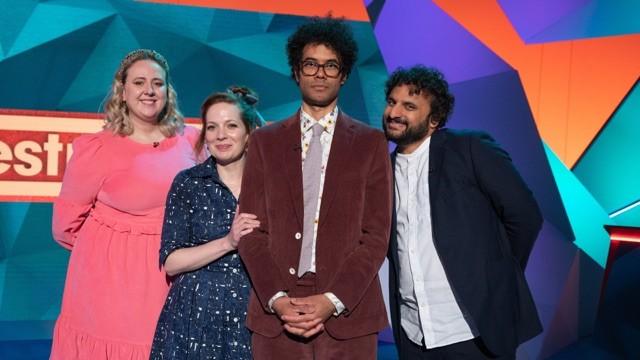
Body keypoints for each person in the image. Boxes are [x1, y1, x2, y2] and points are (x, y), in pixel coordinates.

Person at [237, 17, 393, 359]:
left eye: (330, 65)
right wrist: (277, 298)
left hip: (348, 314)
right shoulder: (264, 141)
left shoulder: (371, 143)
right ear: (296, 71)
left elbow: (377, 235)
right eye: (310, 64)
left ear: (344, 74)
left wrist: (332, 300)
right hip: (276, 312)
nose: (320, 73)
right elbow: (249, 231)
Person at [383, 65, 543, 359]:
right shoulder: (381, 170)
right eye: (392, 102)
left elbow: (525, 216)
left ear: (434, 119)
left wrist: (497, 273)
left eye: (409, 106)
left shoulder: (468, 148)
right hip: (413, 334)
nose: (394, 113)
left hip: (472, 331)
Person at [51, 49, 199, 359]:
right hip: (109, 284)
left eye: (157, 83)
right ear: (123, 90)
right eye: (139, 82)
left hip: (173, 274)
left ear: (167, 91)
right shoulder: (96, 149)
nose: (149, 91)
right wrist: (114, 247)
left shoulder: (193, 142)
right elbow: (65, 227)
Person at [149, 87, 263, 359]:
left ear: (249, 132)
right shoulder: (188, 183)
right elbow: (172, 261)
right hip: (193, 320)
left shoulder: (271, 185)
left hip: (253, 319)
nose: (220, 135)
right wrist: (228, 242)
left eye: (231, 125)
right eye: (212, 127)